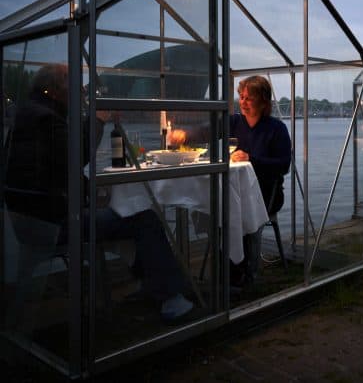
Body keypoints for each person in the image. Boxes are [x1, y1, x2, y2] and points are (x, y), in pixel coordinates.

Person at [4, 64, 193, 322]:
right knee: (144, 218)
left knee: (126, 213)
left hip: (27, 220)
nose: (81, 91)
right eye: (76, 85)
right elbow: (77, 153)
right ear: (56, 89)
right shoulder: (45, 119)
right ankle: (173, 299)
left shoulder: (26, 115)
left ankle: (154, 284)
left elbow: (51, 170)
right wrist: (99, 118)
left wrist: (89, 192)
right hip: (55, 223)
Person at [172, 75, 291, 286]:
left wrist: (252, 159)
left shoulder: (276, 129)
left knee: (238, 211)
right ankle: (225, 268)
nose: (243, 102)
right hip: (233, 191)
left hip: (266, 194)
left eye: (249, 98)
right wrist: (186, 136)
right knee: (215, 207)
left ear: (263, 102)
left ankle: (244, 274)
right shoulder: (235, 122)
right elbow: (207, 131)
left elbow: (283, 165)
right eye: (241, 97)